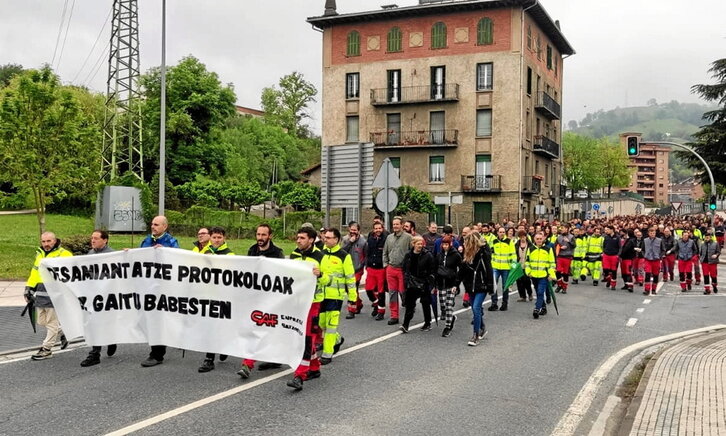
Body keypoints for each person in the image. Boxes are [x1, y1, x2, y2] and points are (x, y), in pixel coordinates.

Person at [238, 224, 285, 378]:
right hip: (255, 297)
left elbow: (282, 275)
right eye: (258, 234)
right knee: (255, 329)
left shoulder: (277, 253)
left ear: (270, 236)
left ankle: (274, 357)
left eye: (263, 235)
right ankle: (247, 364)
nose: (260, 238)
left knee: (269, 329)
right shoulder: (252, 250)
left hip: (271, 298)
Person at [286, 227, 329, 391]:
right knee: (301, 334)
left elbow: (329, 280)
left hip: (314, 302)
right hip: (298, 300)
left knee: (307, 338)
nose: (298, 240)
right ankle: (315, 367)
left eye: (302, 238)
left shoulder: (321, 256)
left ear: (311, 240)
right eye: (297, 237)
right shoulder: (294, 254)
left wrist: (321, 275)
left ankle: (300, 375)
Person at [24, 232, 73, 361]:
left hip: (55, 294)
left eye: (49, 241)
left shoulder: (64, 254)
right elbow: (35, 272)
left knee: (51, 323)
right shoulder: (40, 254)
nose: (46, 244)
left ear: (55, 240)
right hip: (40, 292)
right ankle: (64, 332)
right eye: (43, 241)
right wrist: (28, 288)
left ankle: (46, 349)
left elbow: (70, 275)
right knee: (41, 321)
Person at [140, 216, 180, 367]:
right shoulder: (146, 240)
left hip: (163, 288)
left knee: (159, 319)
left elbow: (177, 258)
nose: (153, 226)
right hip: (148, 286)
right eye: (151, 224)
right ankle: (156, 350)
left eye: (156, 224)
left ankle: (157, 353)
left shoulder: (171, 241)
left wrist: (166, 252)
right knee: (152, 319)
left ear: (164, 226)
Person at [198, 227, 234, 373]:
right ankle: (209, 358)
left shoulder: (229, 254)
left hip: (223, 295)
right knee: (209, 326)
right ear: (210, 238)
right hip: (207, 295)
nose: (217, 240)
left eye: (219, 237)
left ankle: (223, 345)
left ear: (224, 238)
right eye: (214, 237)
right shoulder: (204, 253)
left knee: (221, 325)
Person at [80, 230, 117, 367]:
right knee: (95, 323)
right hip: (93, 295)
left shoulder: (112, 255)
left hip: (107, 296)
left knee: (104, 322)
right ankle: (95, 353)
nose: (93, 241)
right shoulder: (90, 254)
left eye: (96, 238)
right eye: (92, 238)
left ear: (105, 240)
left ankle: (111, 338)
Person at [318, 228, 356, 365]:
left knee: (330, 326)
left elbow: (350, 278)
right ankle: (337, 339)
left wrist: (353, 298)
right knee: (320, 323)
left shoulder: (344, 256)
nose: (325, 239)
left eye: (328, 237)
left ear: (337, 240)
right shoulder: (320, 253)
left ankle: (327, 354)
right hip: (321, 295)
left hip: (336, 297)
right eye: (325, 237)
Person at [459, 232, 493, 345]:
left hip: (481, 285)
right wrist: (456, 284)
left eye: (466, 242)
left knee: (476, 308)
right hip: (470, 286)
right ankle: (482, 328)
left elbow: (489, 270)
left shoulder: (483, 254)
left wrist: (490, 286)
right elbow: (462, 271)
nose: (464, 244)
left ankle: (475, 335)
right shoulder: (467, 254)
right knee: (475, 309)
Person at [400, 236, 435, 333]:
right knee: (409, 304)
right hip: (411, 282)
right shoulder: (408, 255)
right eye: (418, 244)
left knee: (425, 303)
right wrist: (406, 280)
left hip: (424, 282)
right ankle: (405, 324)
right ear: (413, 244)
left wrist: (430, 282)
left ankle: (427, 323)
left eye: (421, 244)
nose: (420, 246)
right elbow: (404, 268)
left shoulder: (428, 255)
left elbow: (432, 270)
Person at [382, 216, 413, 325]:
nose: (395, 226)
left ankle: (409, 310)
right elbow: (385, 252)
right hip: (391, 269)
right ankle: (394, 316)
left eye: (397, 224)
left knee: (403, 292)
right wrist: (386, 265)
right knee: (392, 293)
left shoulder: (408, 237)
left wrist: (409, 267)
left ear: (402, 225)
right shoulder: (389, 238)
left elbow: (412, 253)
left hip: (402, 270)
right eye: (393, 224)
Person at [435, 235, 462, 335]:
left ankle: (447, 327)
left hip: (451, 284)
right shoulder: (439, 256)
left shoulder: (456, 255)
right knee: (443, 306)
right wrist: (435, 284)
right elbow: (435, 269)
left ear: (450, 244)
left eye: (447, 244)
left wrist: (456, 284)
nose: (445, 246)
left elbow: (461, 269)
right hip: (441, 284)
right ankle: (451, 317)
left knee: (449, 305)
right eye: (443, 244)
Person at [526, 232, 556, 319]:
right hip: (534, 275)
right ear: (534, 240)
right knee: (538, 292)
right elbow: (527, 262)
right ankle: (543, 307)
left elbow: (552, 263)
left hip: (544, 275)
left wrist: (551, 274)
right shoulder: (530, 249)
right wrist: (528, 272)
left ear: (543, 239)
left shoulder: (548, 249)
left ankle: (536, 309)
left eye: (540, 239)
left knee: (540, 292)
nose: (539, 240)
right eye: (537, 239)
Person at [342, 222, 367, 319]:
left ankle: (351, 310)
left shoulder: (363, 242)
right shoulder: (345, 239)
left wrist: (363, 266)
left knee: (352, 288)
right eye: (351, 230)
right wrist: (350, 242)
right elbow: (342, 252)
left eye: (355, 230)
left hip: (357, 269)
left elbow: (365, 255)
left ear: (359, 231)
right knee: (349, 290)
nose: (353, 232)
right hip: (347, 269)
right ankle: (358, 303)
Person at [365, 221, 388, 320]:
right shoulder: (370, 238)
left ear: (382, 229)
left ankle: (381, 311)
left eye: (379, 228)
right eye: (376, 228)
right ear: (373, 229)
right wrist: (367, 264)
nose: (378, 230)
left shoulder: (386, 239)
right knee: (368, 289)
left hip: (381, 268)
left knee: (381, 291)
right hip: (371, 267)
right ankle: (376, 303)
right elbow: (367, 252)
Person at [489, 227, 516, 311]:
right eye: (500, 232)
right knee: (494, 285)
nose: (502, 233)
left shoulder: (509, 242)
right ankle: (494, 303)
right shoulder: (494, 242)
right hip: (495, 266)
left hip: (506, 267)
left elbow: (513, 255)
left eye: (503, 232)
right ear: (497, 233)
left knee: (505, 286)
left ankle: (504, 303)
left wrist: (513, 266)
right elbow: (491, 253)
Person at [643, 227, 664, 296]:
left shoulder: (659, 240)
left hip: (656, 260)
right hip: (648, 259)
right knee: (647, 274)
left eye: (653, 233)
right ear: (648, 233)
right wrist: (644, 255)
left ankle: (654, 289)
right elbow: (642, 249)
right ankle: (647, 289)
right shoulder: (645, 240)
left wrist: (660, 256)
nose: (652, 234)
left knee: (655, 275)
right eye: (651, 233)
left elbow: (663, 250)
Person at [555, 225, 575, 294]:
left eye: (563, 228)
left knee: (565, 273)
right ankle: (560, 284)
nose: (562, 230)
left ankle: (564, 287)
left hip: (568, 256)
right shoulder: (559, 237)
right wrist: (560, 247)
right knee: (558, 271)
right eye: (561, 229)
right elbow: (556, 246)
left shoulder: (571, 237)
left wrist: (569, 242)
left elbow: (574, 245)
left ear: (567, 229)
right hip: (560, 256)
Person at [699, 230, 721, 295]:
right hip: (704, 263)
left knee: (713, 276)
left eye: (708, 237)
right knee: (706, 276)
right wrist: (701, 259)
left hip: (712, 262)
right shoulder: (702, 244)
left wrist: (716, 255)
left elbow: (718, 252)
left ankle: (714, 286)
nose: (707, 238)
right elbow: (700, 253)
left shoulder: (715, 243)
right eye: (706, 237)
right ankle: (707, 289)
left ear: (710, 237)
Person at [514, 230, 534, 302]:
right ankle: (522, 296)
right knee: (519, 281)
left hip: (527, 265)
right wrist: (513, 266)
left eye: (524, 236)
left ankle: (530, 294)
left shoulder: (530, 245)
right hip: (518, 265)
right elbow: (514, 255)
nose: (523, 238)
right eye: (521, 237)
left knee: (526, 280)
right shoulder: (516, 245)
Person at [602, 226, 621, 291]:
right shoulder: (606, 237)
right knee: (605, 270)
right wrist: (604, 251)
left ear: (612, 230)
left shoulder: (617, 237)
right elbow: (604, 245)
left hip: (614, 255)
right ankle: (608, 279)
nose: (607, 231)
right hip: (606, 255)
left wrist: (618, 254)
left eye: (608, 230)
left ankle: (613, 285)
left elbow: (620, 247)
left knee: (614, 271)